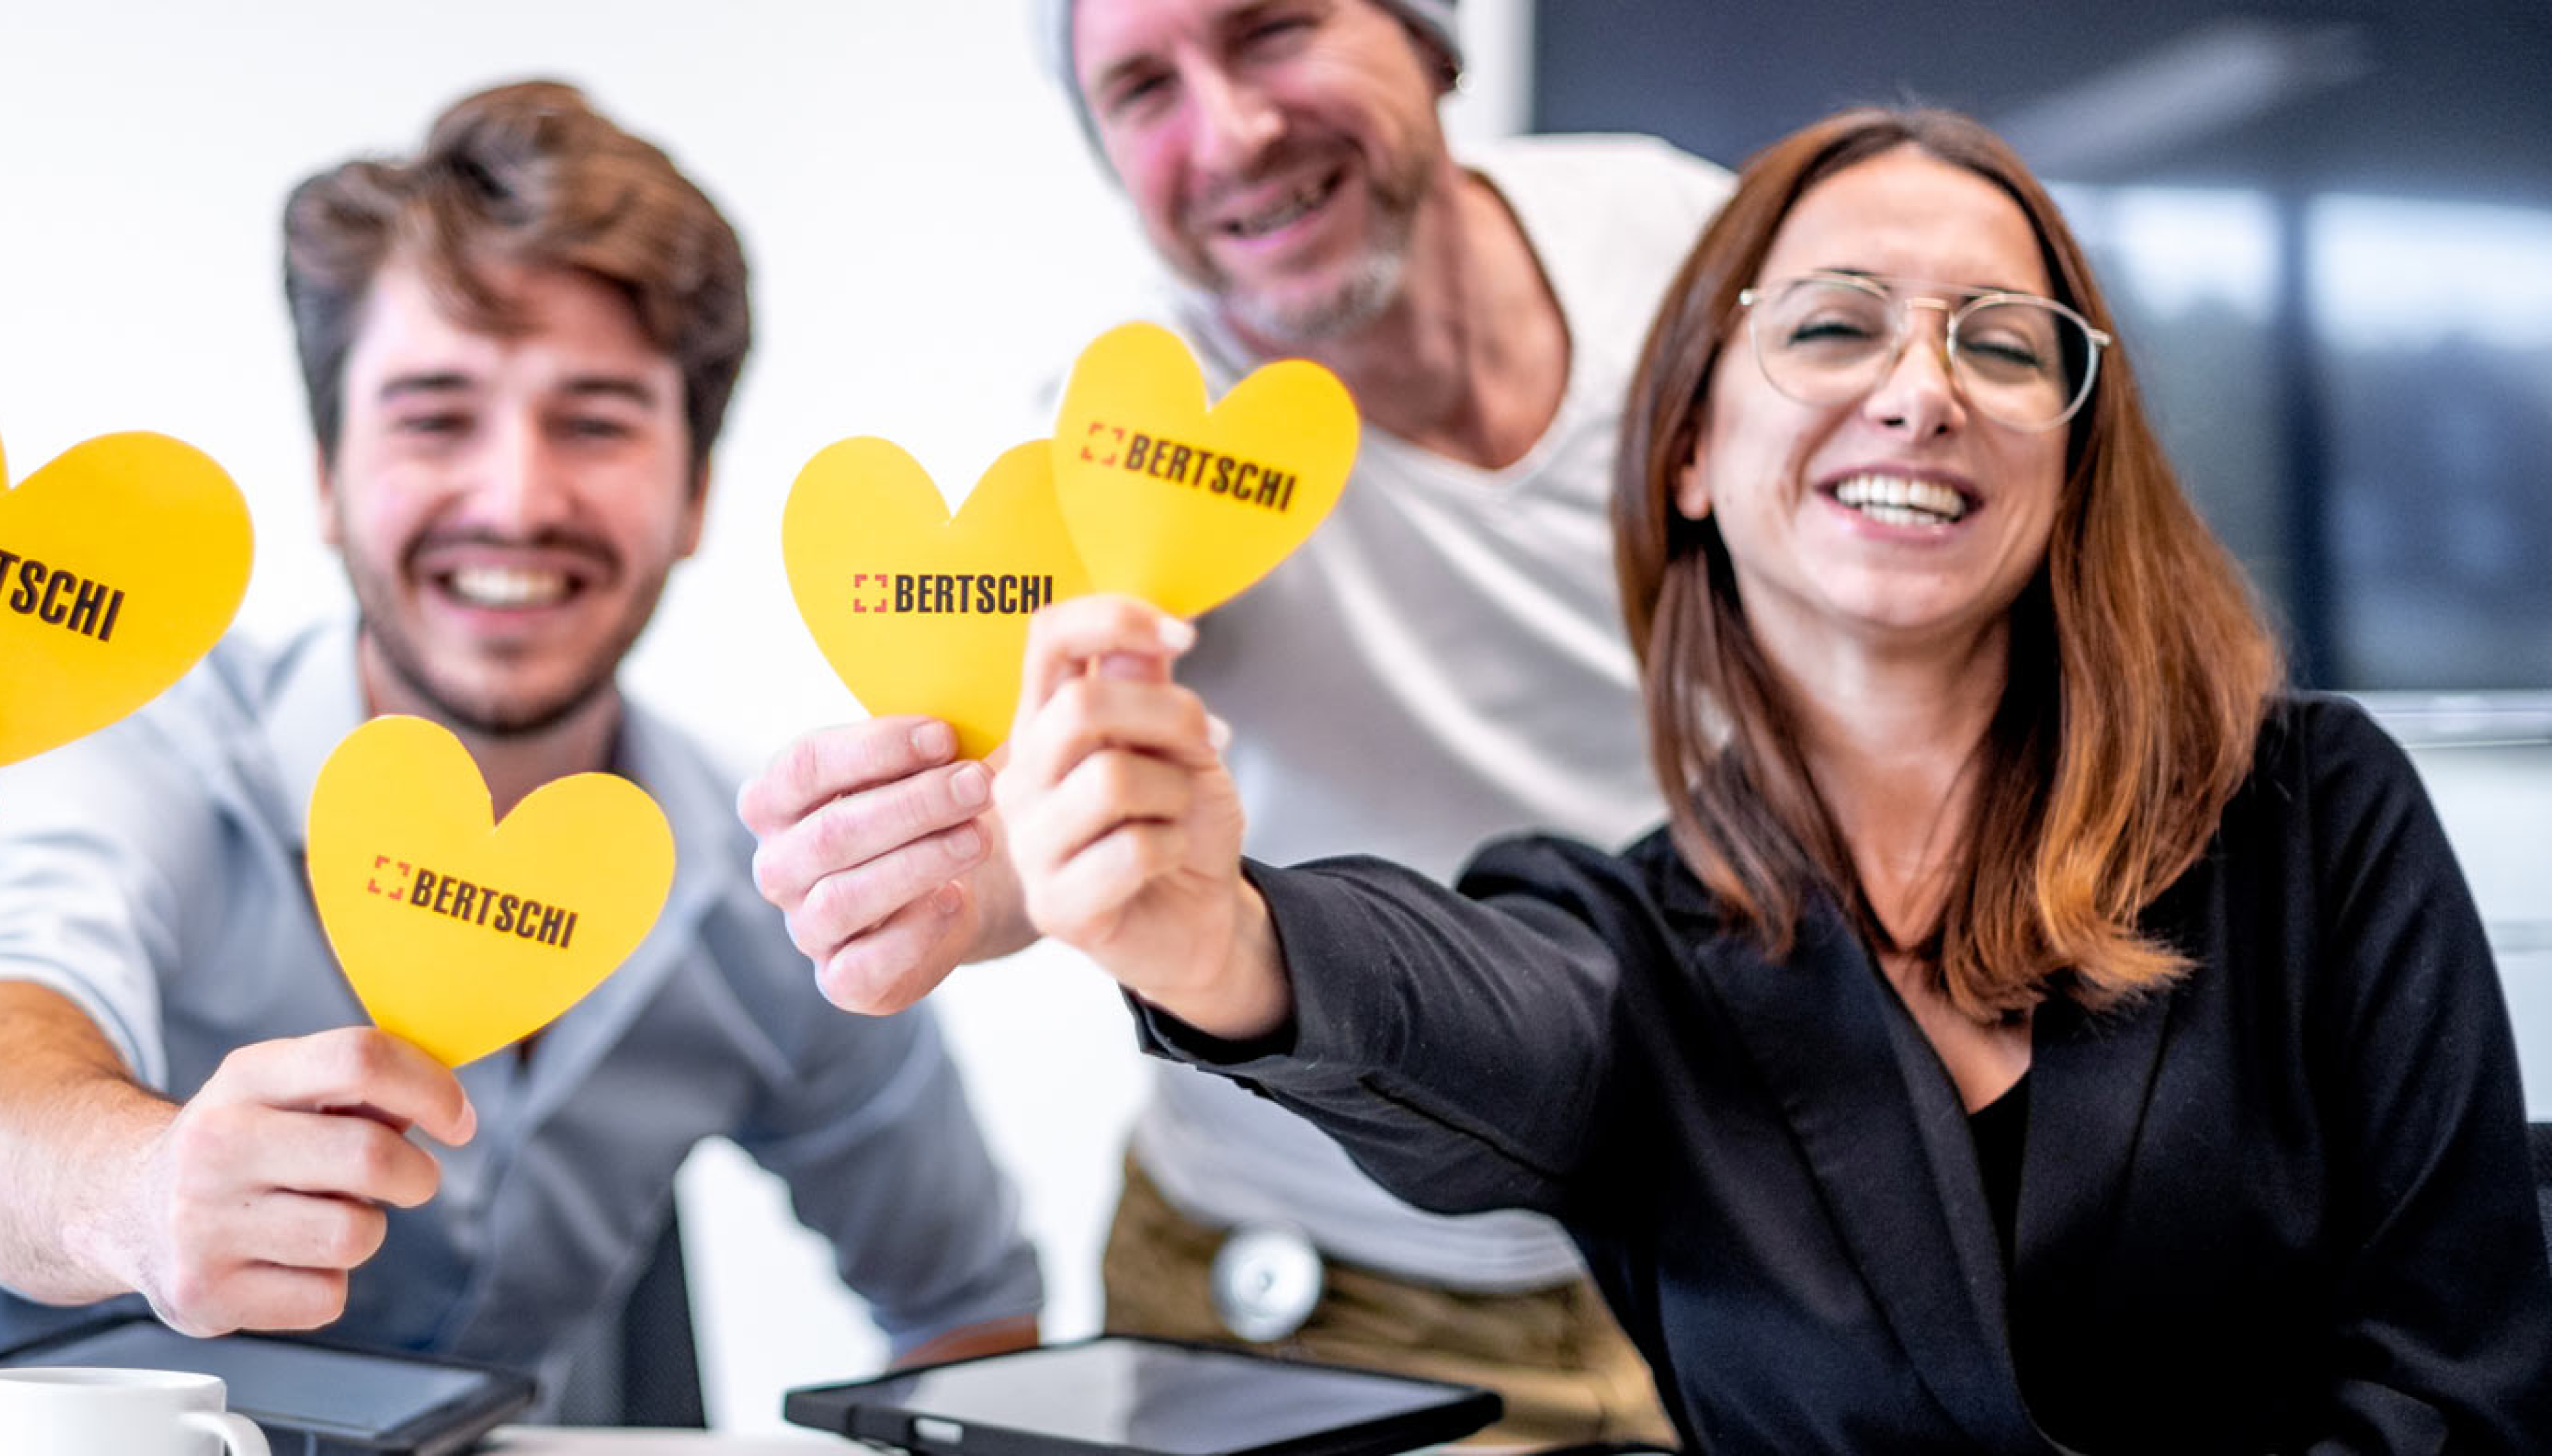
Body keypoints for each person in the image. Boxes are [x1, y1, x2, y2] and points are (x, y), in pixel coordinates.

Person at [985, 105, 2552, 1451]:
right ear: (1687, 449)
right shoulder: (1622, 938)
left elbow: (2460, 1375)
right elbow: (1471, 1023)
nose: (1922, 389)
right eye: (1830, 324)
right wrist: (1228, 942)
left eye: (2002, 344)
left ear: (2073, 465)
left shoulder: (2312, 815)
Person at [0, 81, 1042, 1418]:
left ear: (698, 491)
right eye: (434, 414)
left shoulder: (782, 872)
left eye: (596, 420)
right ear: (327, 470)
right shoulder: (149, 756)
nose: (517, 498)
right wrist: (139, 1189)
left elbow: (967, 1309)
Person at [739, 0, 1715, 1438]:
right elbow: (1031, 791)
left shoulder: (1689, 256)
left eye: (1272, 31)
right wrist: (968, 869)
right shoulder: (1125, 449)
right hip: (1299, 1295)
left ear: (1430, 37)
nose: (1232, 134)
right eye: (1142, 89)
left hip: (1733, 1238)